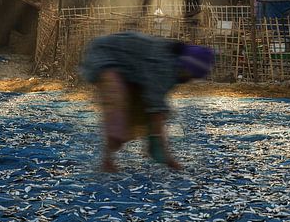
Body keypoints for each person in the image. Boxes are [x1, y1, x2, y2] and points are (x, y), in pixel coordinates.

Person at [81, 31, 215, 172]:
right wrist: (165, 153)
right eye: (192, 76)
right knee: (118, 108)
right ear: (188, 68)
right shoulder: (165, 65)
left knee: (135, 119)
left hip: (129, 71)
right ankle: (107, 161)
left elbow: (154, 105)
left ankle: (140, 150)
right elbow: (156, 109)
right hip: (104, 54)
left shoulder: (173, 67)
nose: (190, 80)